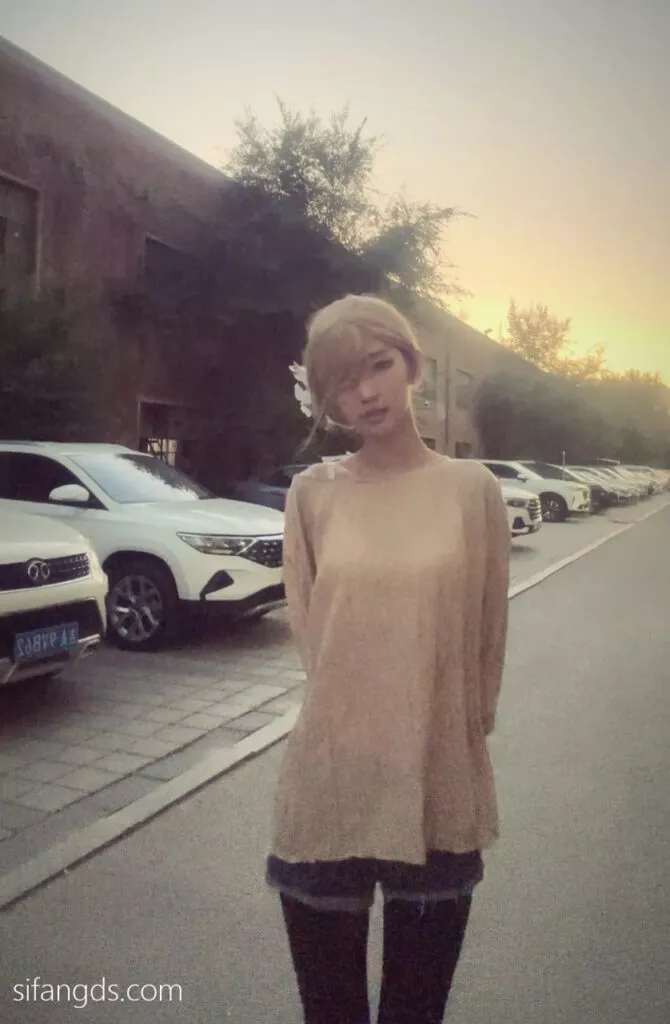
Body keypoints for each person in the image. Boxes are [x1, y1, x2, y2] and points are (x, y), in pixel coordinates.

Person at [266, 294, 510, 1024]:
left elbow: (487, 636)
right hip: (331, 781)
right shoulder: (312, 494)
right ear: (326, 398)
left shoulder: (473, 490)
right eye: (342, 382)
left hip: (437, 780)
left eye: (377, 366)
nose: (365, 392)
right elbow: (312, 635)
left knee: (415, 1012)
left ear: (412, 364)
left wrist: (459, 734)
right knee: (330, 1013)